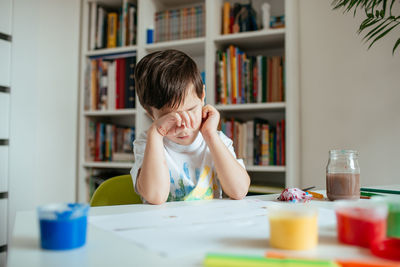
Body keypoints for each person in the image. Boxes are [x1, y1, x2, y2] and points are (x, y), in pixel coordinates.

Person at [130, 49, 250, 205]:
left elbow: (239, 191)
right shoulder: (148, 143)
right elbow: (155, 197)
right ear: (150, 113)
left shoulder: (217, 139)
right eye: (169, 117)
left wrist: (210, 135)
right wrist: (156, 133)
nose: (183, 125)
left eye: (190, 110)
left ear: (202, 97)